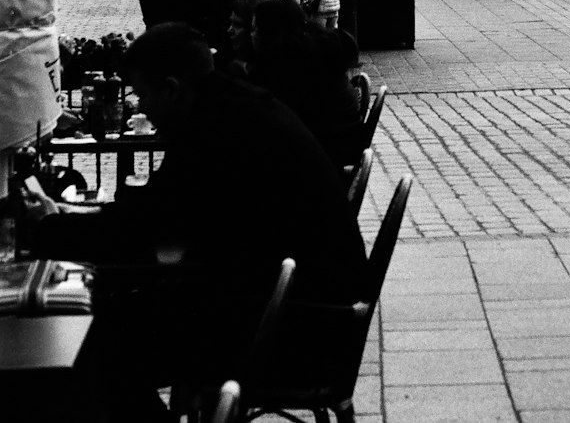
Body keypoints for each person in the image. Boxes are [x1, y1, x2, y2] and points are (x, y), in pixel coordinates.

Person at [22, 22, 367, 423]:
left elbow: (149, 226)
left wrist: (51, 228)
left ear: (172, 88)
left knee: (95, 348)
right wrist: (74, 221)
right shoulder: (229, 106)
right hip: (297, 303)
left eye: (144, 94)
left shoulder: (216, 129)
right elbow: (162, 214)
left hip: (299, 329)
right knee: (114, 325)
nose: (142, 106)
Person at [250, 0, 362, 167]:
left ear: (270, 33)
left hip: (323, 159)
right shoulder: (318, 54)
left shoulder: (295, 67)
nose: (251, 35)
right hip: (337, 149)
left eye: (254, 29)